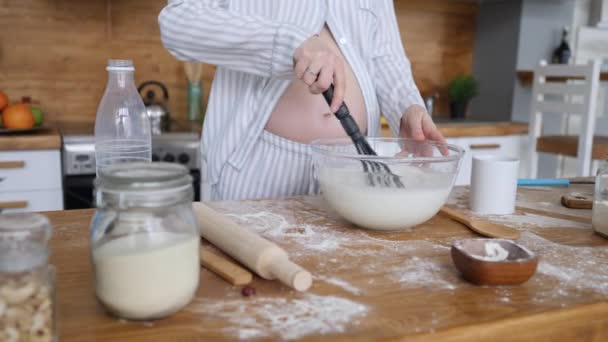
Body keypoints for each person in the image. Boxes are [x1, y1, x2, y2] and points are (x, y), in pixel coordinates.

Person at [158, 0, 446, 200]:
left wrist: (407, 105)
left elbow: (384, 53)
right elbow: (179, 22)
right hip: (259, 167)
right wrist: (289, 43)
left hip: (354, 167)